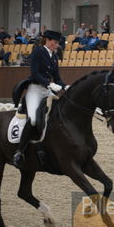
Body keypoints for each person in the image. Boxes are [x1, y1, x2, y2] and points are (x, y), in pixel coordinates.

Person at [12, 30, 70, 168]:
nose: (56, 45)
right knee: (32, 119)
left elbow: (57, 78)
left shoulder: (54, 57)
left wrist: (65, 86)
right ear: (48, 41)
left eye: (57, 43)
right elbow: (35, 73)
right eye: (54, 43)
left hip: (47, 91)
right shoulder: (38, 52)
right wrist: (49, 84)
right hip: (35, 90)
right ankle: (19, 152)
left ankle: (46, 147)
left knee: (56, 116)